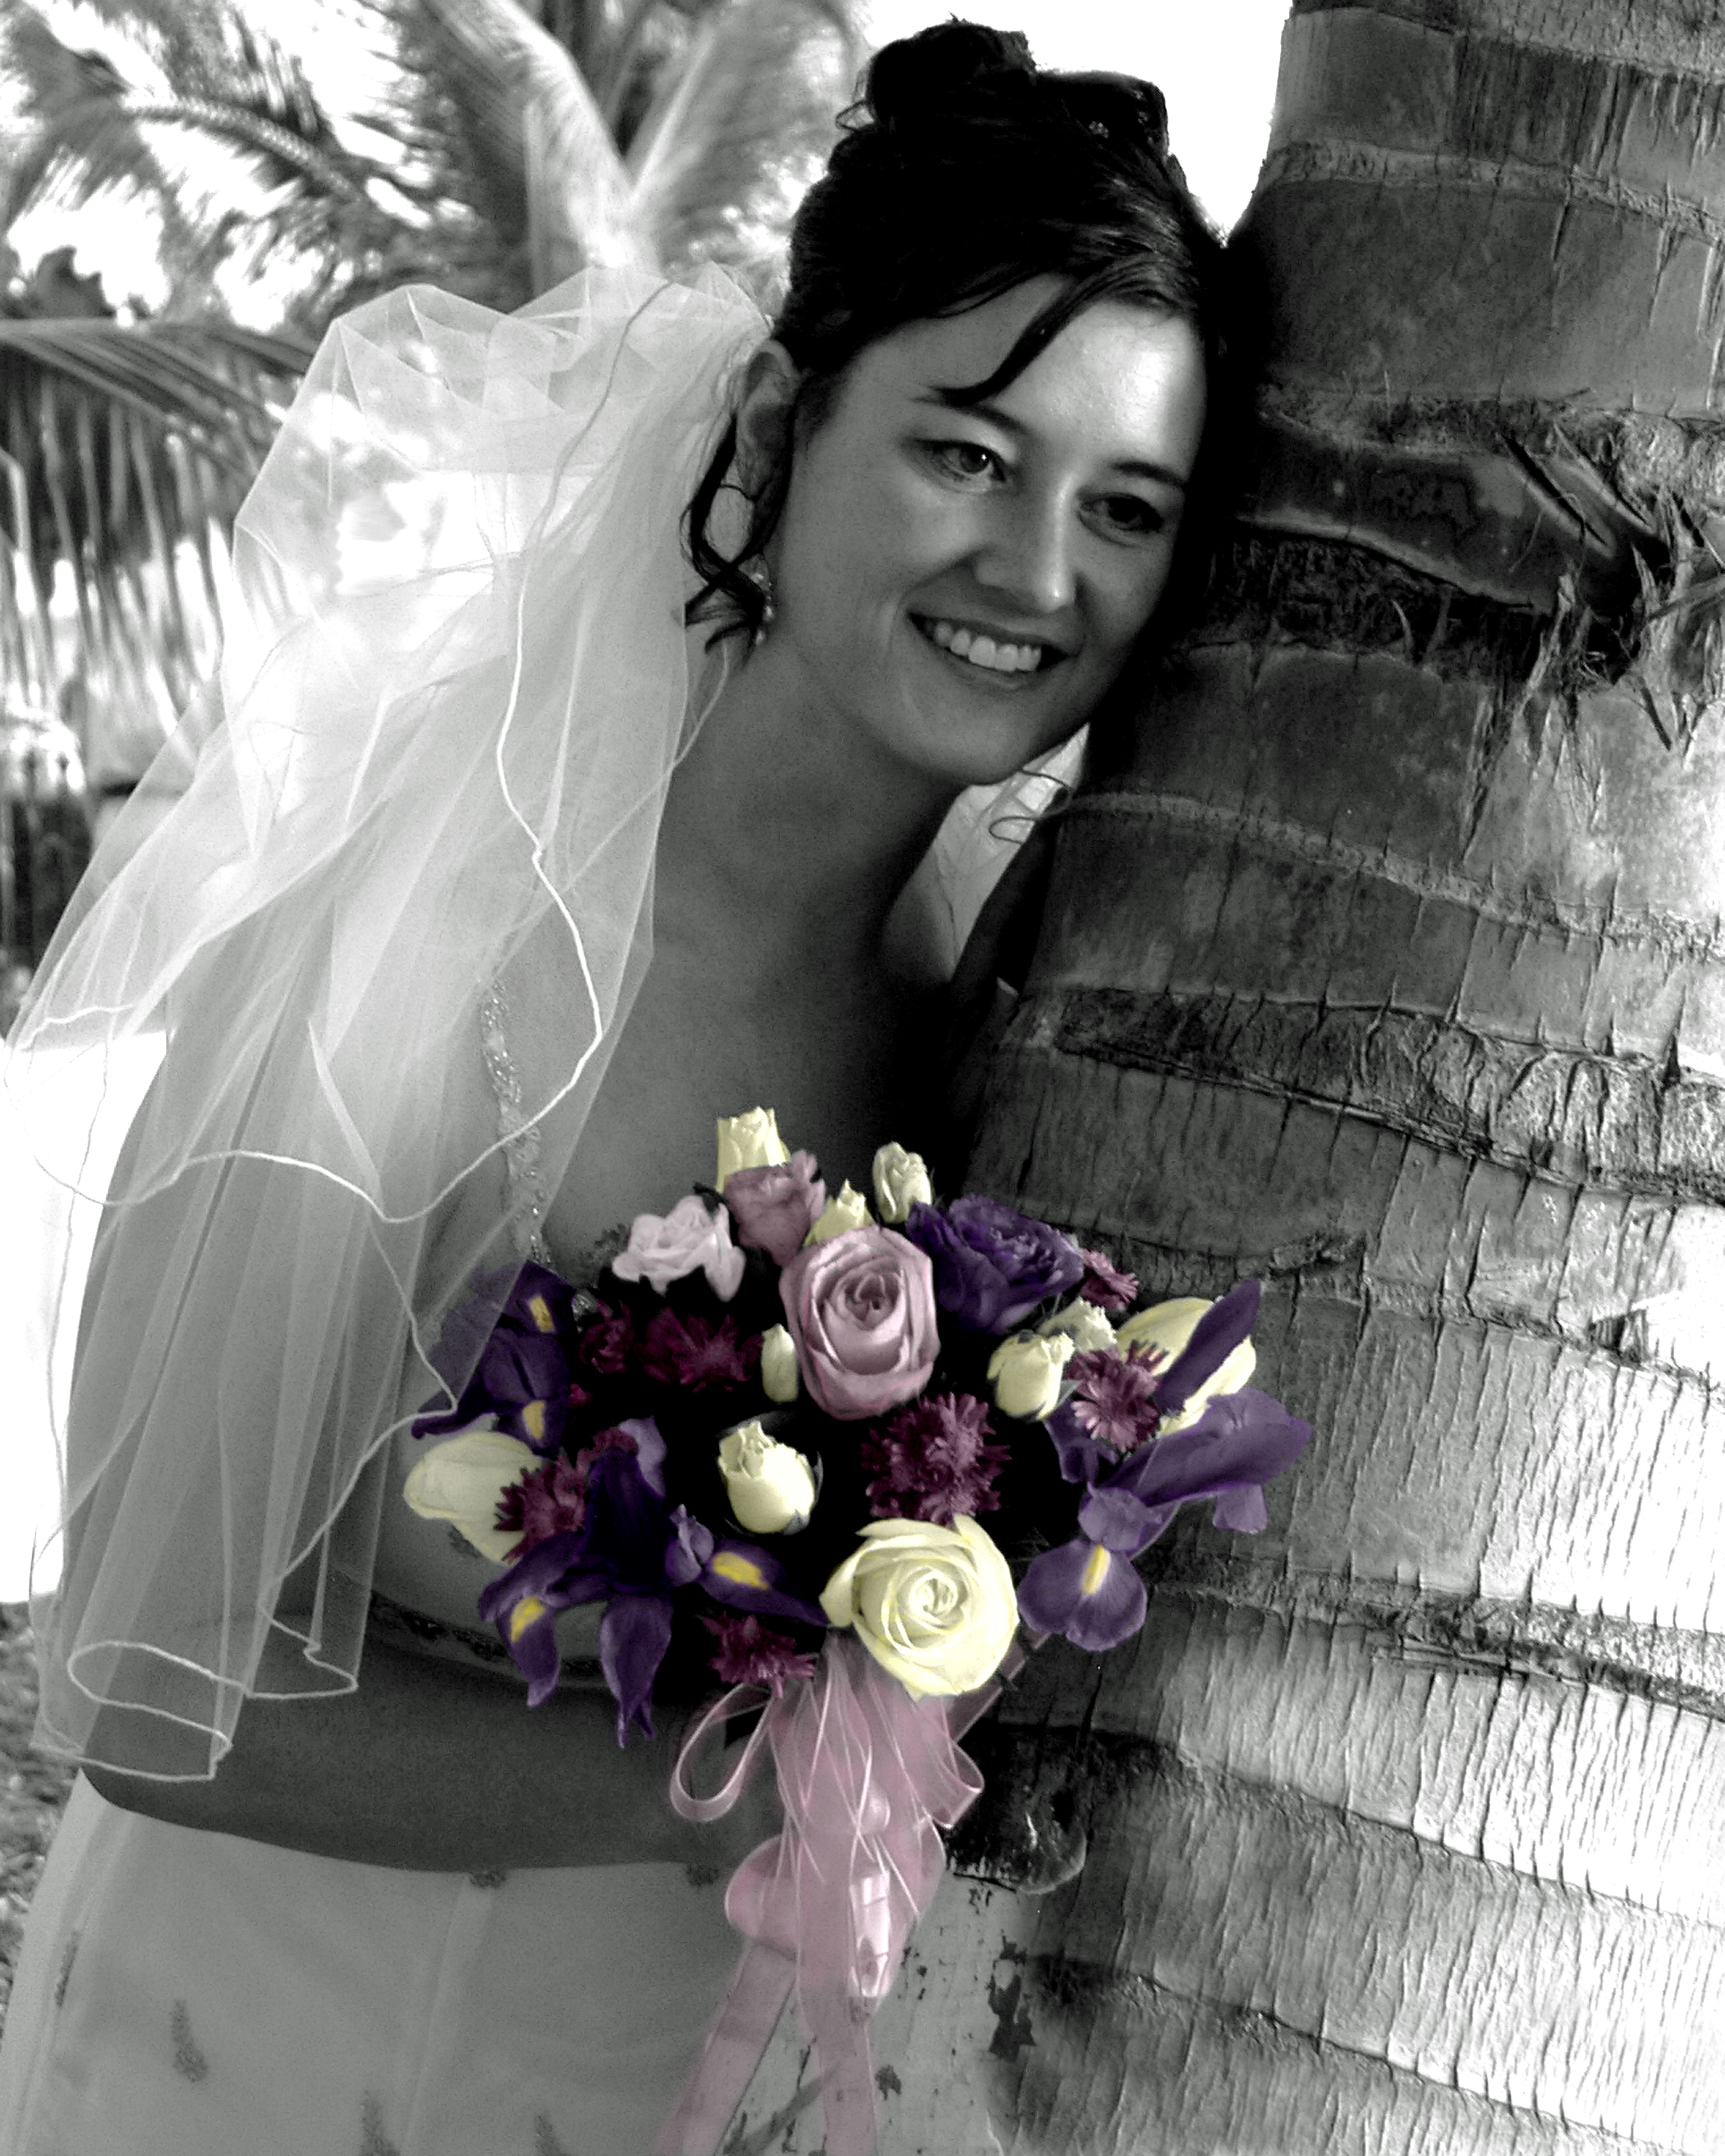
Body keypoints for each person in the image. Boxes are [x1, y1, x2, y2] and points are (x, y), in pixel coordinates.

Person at [0, 21, 1231, 2155]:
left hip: (699, 2082)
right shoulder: (423, 944)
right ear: (774, 430)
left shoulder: (1031, 995)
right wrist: (736, 1787)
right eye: (966, 453)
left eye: (1124, 507)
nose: (1042, 575)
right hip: (267, 2055)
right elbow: (131, 1684)